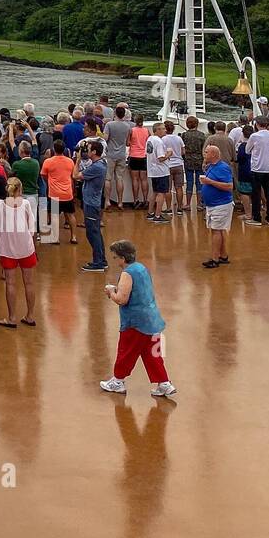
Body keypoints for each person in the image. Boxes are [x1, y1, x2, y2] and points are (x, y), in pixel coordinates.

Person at [99, 241, 176, 398]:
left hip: (135, 322)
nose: (115, 260)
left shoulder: (127, 273)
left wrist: (111, 292)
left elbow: (122, 299)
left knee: (126, 352)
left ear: (122, 257)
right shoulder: (142, 268)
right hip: (153, 320)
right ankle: (164, 383)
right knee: (153, 354)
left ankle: (118, 381)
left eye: (116, 257)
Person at [0, 177, 38, 327]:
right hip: (26, 248)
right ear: (20, 189)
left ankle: (12, 318)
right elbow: (32, 225)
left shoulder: (0, 205)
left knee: (10, 283)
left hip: (8, 248)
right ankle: (30, 315)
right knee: (29, 282)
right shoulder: (26, 204)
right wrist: (28, 237)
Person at [198, 143, 234, 268]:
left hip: (221, 205)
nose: (204, 154)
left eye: (206, 152)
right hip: (213, 204)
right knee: (218, 230)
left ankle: (215, 258)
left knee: (216, 231)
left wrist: (210, 182)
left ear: (213, 154)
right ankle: (223, 255)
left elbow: (229, 186)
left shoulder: (223, 168)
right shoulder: (211, 166)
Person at [78, 140, 108, 272]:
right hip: (93, 202)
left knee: (92, 234)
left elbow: (75, 175)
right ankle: (101, 259)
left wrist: (78, 160)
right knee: (96, 233)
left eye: (89, 149)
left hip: (91, 204)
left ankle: (98, 262)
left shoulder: (96, 167)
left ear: (94, 152)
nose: (86, 151)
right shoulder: (100, 163)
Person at [41, 137, 77, 240]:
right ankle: (73, 236)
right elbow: (72, 175)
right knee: (70, 215)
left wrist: (50, 180)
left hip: (54, 193)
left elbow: (43, 175)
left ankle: (55, 238)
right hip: (67, 193)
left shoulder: (48, 161)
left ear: (53, 149)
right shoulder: (70, 161)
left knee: (55, 215)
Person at [247, 116, 269, 225]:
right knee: (268, 193)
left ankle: (257, 217)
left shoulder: (254, 136)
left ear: (257, 124)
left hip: (257, 167)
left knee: (256, 193)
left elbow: (247, 150)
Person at [103, 105, 134, 209]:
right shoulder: (127, 126)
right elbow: (127, 142)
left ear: (115, 114)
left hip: (110, 154)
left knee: (108, 179)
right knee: (119, 178)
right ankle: (120, 202)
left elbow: (105, 139)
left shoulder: (109, 124)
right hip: (121, 154)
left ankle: (107, 201)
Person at [144, 122, 172, 222]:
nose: (165, 130)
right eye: (163, 128)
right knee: (161, 193)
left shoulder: (150, 139)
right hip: (161, 171)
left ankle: (150, 212)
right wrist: (169, 154)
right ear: (158, 130)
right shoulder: (159, 142)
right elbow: (160, 158)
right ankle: (158, 215)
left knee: (155, 192)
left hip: (152, 170)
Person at [181, 115, 206, 213]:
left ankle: (187, 203)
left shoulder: (184, 135)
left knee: (189, 182)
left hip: (188, 160)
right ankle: (199, 204)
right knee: (199, 183)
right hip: (199, 160)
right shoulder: (201, 135)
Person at [127, 116, 150, 207]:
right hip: (144, 156)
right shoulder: (147, 131)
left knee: (135, 179)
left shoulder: (131, 130)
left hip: (134, 156)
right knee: (144, 179)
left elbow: (128, 143)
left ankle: (136, 200)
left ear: (135, 121)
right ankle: (145, 200)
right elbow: (149, 142)